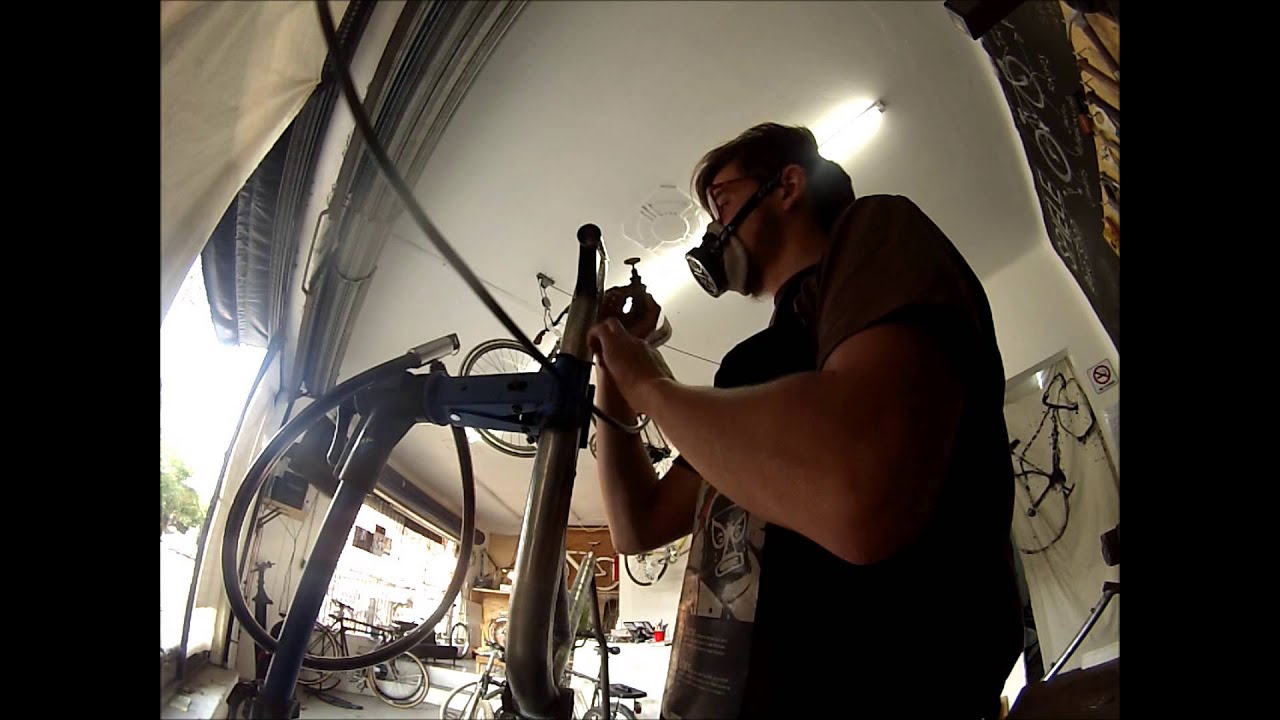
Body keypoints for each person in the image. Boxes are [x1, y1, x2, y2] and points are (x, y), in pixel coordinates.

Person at [588, 123, 1022, 718]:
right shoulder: (753, 367)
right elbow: (638, 523)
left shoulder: (878, 228)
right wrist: (613, 364)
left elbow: (859, 490)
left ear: (788, 187)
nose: (714, 231)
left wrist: (649, 386)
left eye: (723, 203)